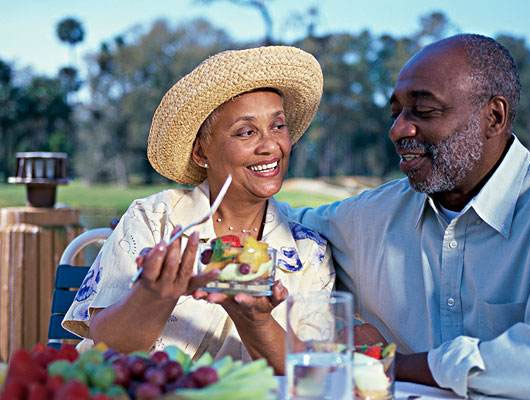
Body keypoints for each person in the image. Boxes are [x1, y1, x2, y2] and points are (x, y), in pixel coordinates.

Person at [280, 34, 530, 399]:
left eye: (424, 111)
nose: (398, 129)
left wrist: (390, 364)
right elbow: (278, 226)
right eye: (395, 113)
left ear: (494, 117)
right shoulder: (371, 216)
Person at [63, 46, 334, 374]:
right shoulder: (155, 220)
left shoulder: (310, 252)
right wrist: (154, 295)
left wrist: (256, 320)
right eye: (246, 132)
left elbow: (312, 374)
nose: (270, 146)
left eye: (278, 126)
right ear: (201, 152)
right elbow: (106, 344)